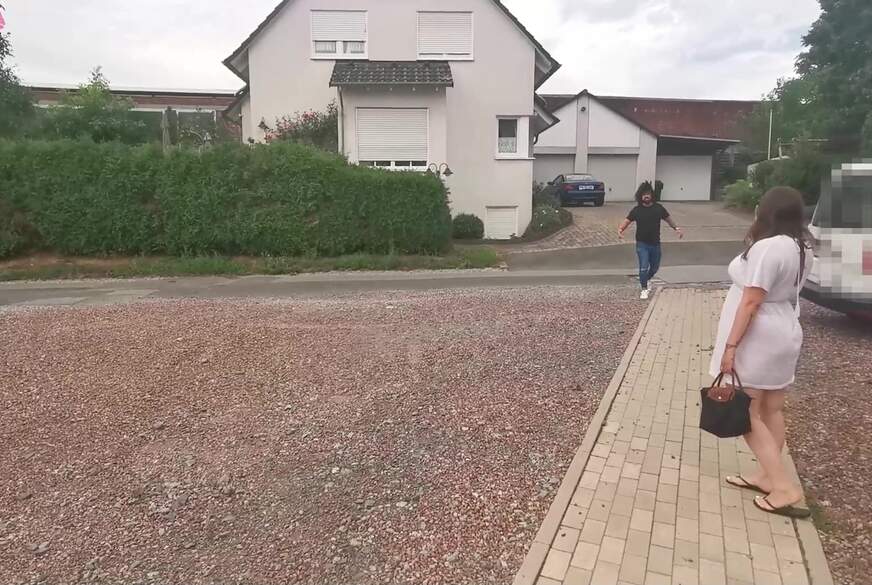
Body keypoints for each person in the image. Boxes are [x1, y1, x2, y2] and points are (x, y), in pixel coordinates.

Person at [710, 186, 813, 518]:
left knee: (745, 414)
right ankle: (768, 476)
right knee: (771, 409)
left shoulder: (768, 247)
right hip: (785, 327)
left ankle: (783, 487)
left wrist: (731, 346)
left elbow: (752, 301)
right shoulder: (802, 247)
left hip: (759, 336)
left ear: (766, 211)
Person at [618, 182, 683, 299]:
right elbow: (627, 221)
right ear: (640, 196)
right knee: (643, 267)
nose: (646, 196)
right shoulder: (637, 210)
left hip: (655, 244)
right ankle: (644, 289)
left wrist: (676, 228)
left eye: (648, 194)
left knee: (654, 268)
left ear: (652, 195)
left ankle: (646, 280)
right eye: (644, 194)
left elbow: (668, 219)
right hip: (642, 244)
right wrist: (621, 230)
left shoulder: (658, 208)